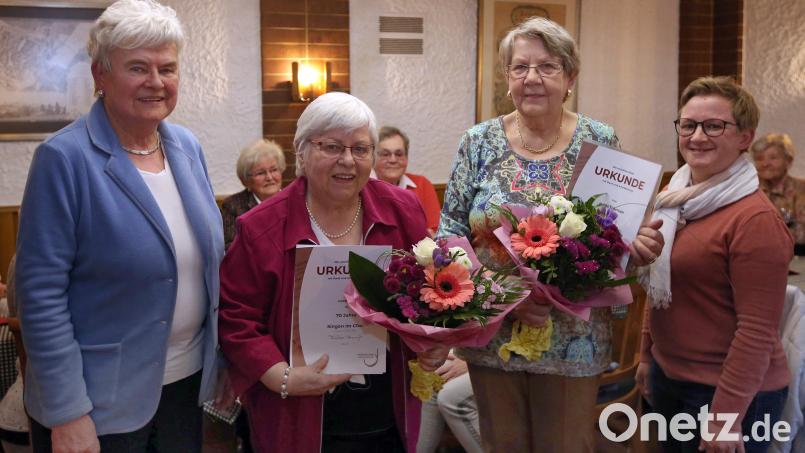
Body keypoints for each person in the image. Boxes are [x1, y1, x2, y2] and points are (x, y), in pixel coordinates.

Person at [437, 16, 663, 452]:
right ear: (507, 77)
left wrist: (640, 247)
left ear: (570, 77)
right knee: (502, 445)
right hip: (494, 334)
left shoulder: (599, 138)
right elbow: (449, 239)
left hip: (574, 339)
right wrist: (509, 300)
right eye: (520, 67)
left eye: (547, 67)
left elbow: (618, 233)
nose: (532, 78)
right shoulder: (477, 142)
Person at [15, 1, 225, 452]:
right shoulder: (63, 159)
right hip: (96, 402)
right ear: (100, 75)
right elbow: (41, 296)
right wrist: (68, 412)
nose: (156, 81)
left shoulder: (187, 148)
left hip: (185, 388)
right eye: (138, 68)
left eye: (167, 68)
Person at [218, 92, 445, 452]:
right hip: (296, 411)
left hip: (386, 407)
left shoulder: (402, 209)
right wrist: (283, 377)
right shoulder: (261, 226)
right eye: (332, 147)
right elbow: (236, 318)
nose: (348, 160)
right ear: (301, 152)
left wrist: (433, 343)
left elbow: (428, 292)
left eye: (360, 148)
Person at [636, 76, 793, 453]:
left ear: (744, 137)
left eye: (714, 126)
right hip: (670, 377)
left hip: (732, 395)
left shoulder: (755, 220)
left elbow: (756, 331)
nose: (697, 136)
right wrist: (646, 355)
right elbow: (661, 284)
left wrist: (725, 418)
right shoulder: (674, 196)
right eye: (688, 125)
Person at [374, 126, 442, 234]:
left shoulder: (422, 184)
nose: (393, 160)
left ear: (406, 157)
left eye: (399, 154)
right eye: (385, 154)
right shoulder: (363, 188)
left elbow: (435, 232)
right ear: (373, 157)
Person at [221, 138, 286, 250]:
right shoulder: (232, 206)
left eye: (274, 170)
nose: (269, 177)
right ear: (246, 180)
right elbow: (231, 249)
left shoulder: (295, 201)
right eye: (260, 173)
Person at [751, 133, 805, 255]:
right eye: (759, 159)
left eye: (773, 158)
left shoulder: (802, 190)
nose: (765, 164)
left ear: (789, 161)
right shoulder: (747, 190)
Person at [416, 354, 481, 453]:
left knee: (452, 396)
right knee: (434, 375)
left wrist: (474, 362)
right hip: (482, 353)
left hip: (499, 361)